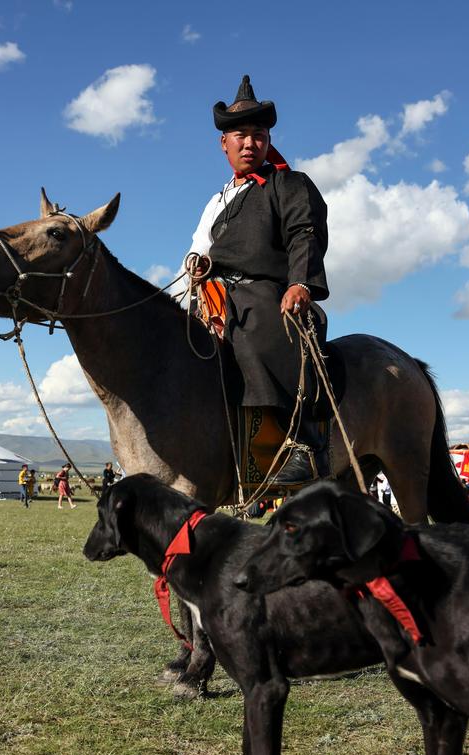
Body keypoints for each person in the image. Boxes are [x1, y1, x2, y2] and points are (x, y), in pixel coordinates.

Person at [183, 75, 329, 487]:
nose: (250, 143)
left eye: (259, 136)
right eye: (241, 136)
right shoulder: (215, 202)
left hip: (266, 290)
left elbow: (305, 233)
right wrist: (195, 267)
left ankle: (303, 442)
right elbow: (197, 248)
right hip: (213, 292)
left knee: (253, 324)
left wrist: (300, 282)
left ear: (267, 141)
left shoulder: (289, 184)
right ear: (224, 143)